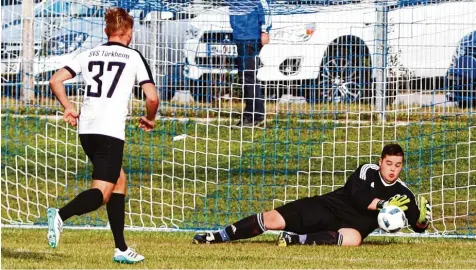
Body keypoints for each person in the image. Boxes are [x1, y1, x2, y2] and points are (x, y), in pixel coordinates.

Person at [47, 7, 158, 263]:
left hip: (87, 129)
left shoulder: (89, 53)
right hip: (109, 131)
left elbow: (55, 80)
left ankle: (121, 249)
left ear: (106, 31)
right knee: (102, 193)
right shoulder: (132, 56)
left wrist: (69, 107)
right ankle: (60, 215)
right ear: (129, 32)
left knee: (119, 179)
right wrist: (150, 118)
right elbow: (152, 96)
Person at [193, 143, 432, 246]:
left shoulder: (404, 193)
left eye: (398, 165)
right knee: (271, 220)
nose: (392, 169)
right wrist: (384, 206)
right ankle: (218, 236)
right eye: (389, 163)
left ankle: (294, 239)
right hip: (326, 208)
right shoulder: (367, 171)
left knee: (354, 240)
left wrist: (422, 220)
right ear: (381, 162)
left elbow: (417, 225)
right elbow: (359, 198)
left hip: (350, 227)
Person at [228, 0, 272, 127]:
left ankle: (253, 116)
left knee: (249, 76)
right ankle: (254, 114)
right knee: (245, 76)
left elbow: (265, 6)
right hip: (239, 36)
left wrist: (265, 30)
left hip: (250, 37)